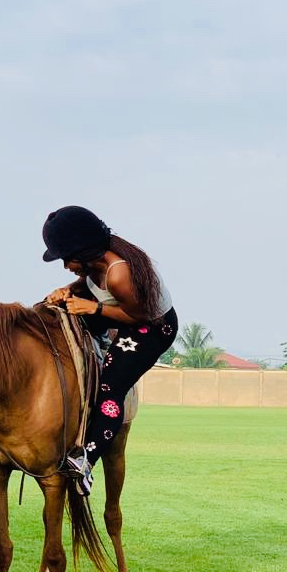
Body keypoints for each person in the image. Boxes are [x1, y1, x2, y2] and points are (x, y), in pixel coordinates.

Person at [42, 205, 178, 496]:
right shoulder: (96, 264)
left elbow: (140, 317)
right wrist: (68, 290)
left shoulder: (119, 274)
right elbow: (87, 281)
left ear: (83, 251)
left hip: (151, 328)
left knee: (110, 387)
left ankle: (86, 462)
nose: (66, 266)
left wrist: (93, 308)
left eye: (67, 259)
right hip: (121, 313)